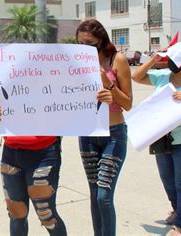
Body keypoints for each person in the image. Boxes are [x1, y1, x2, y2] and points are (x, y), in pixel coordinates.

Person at [76, 19, 132, 236]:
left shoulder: (116, 60)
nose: (84, 49)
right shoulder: (77, 63)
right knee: (93, 193)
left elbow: (127, 103)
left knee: (103, 196)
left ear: (101, 40)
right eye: (80, 44)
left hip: (113, 135)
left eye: (89, 44)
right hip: (88, 135)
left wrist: (108, 85)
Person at [0, 98, 67, 236]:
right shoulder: (0, 78)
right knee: (16, 213)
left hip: (43, 152)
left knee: (47, 214)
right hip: (10, 152)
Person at [131, 42, 181, 236]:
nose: (170, 63)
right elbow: (136, 76)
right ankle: (178, 209)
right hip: (161, 138)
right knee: (167, 180)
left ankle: (180, 225)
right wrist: (154, 58)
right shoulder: (163, 77)